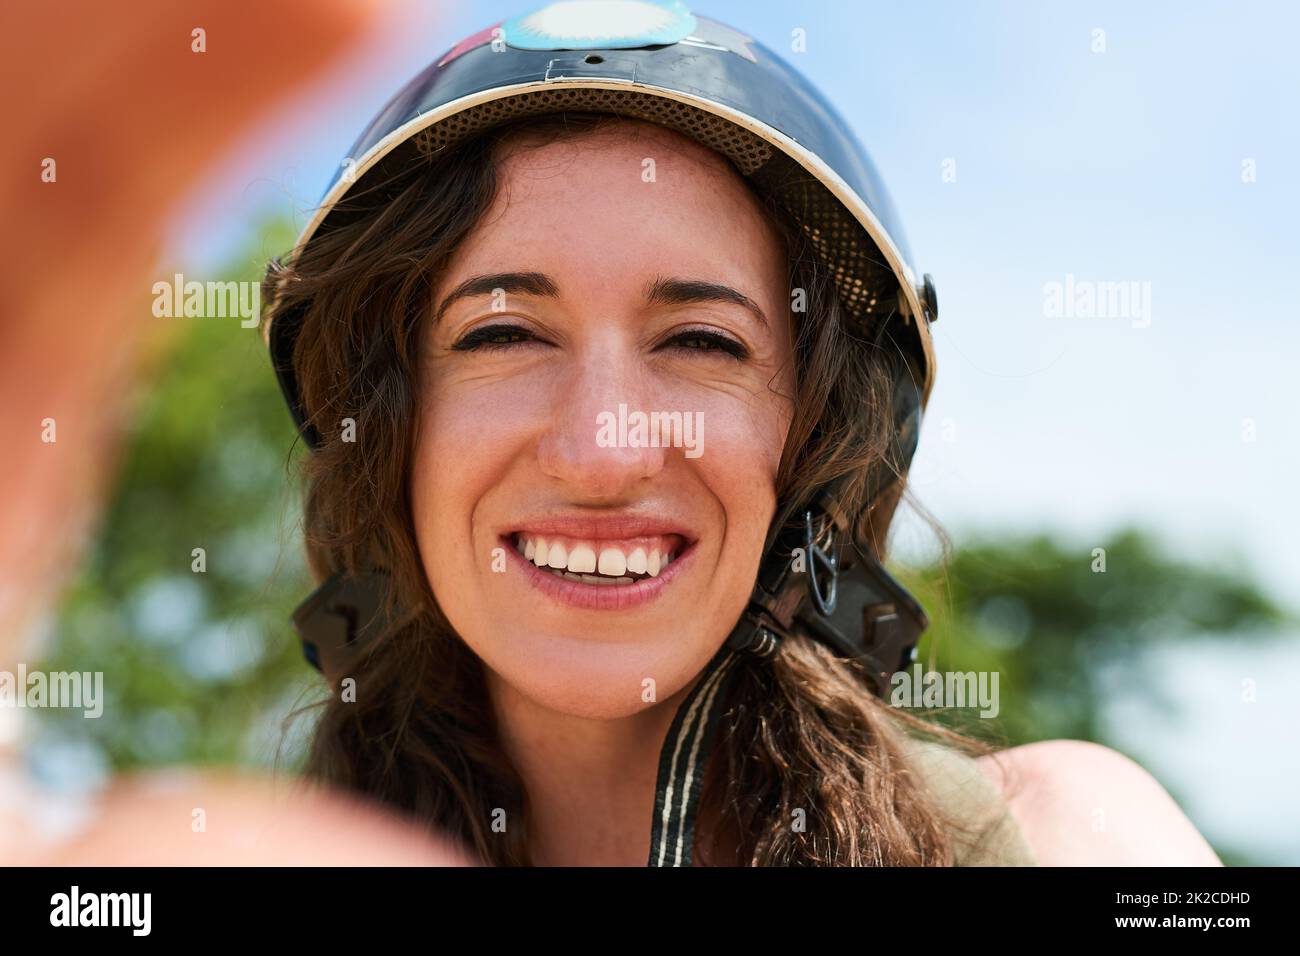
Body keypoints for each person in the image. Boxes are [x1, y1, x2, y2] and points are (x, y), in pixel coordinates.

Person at [261, 0, 1221, 866]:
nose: (604, 451)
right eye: (503, 332)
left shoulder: (1064, 839)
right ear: (388, 438)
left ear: (816, 448)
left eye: (702, 342)